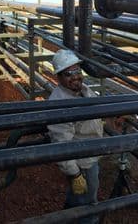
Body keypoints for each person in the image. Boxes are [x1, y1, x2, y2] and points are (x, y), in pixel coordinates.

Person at [47, 49, 103, 223]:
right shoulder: (59, 103)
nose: (75, 76)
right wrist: (75, 174)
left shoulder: (84, 90)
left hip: (91, 154)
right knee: (88, 204)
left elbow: (94, 116)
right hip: (82, 163)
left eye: (77, 71)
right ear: (59, 77)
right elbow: (61, 144)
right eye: (68, 73)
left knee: (77, 199)